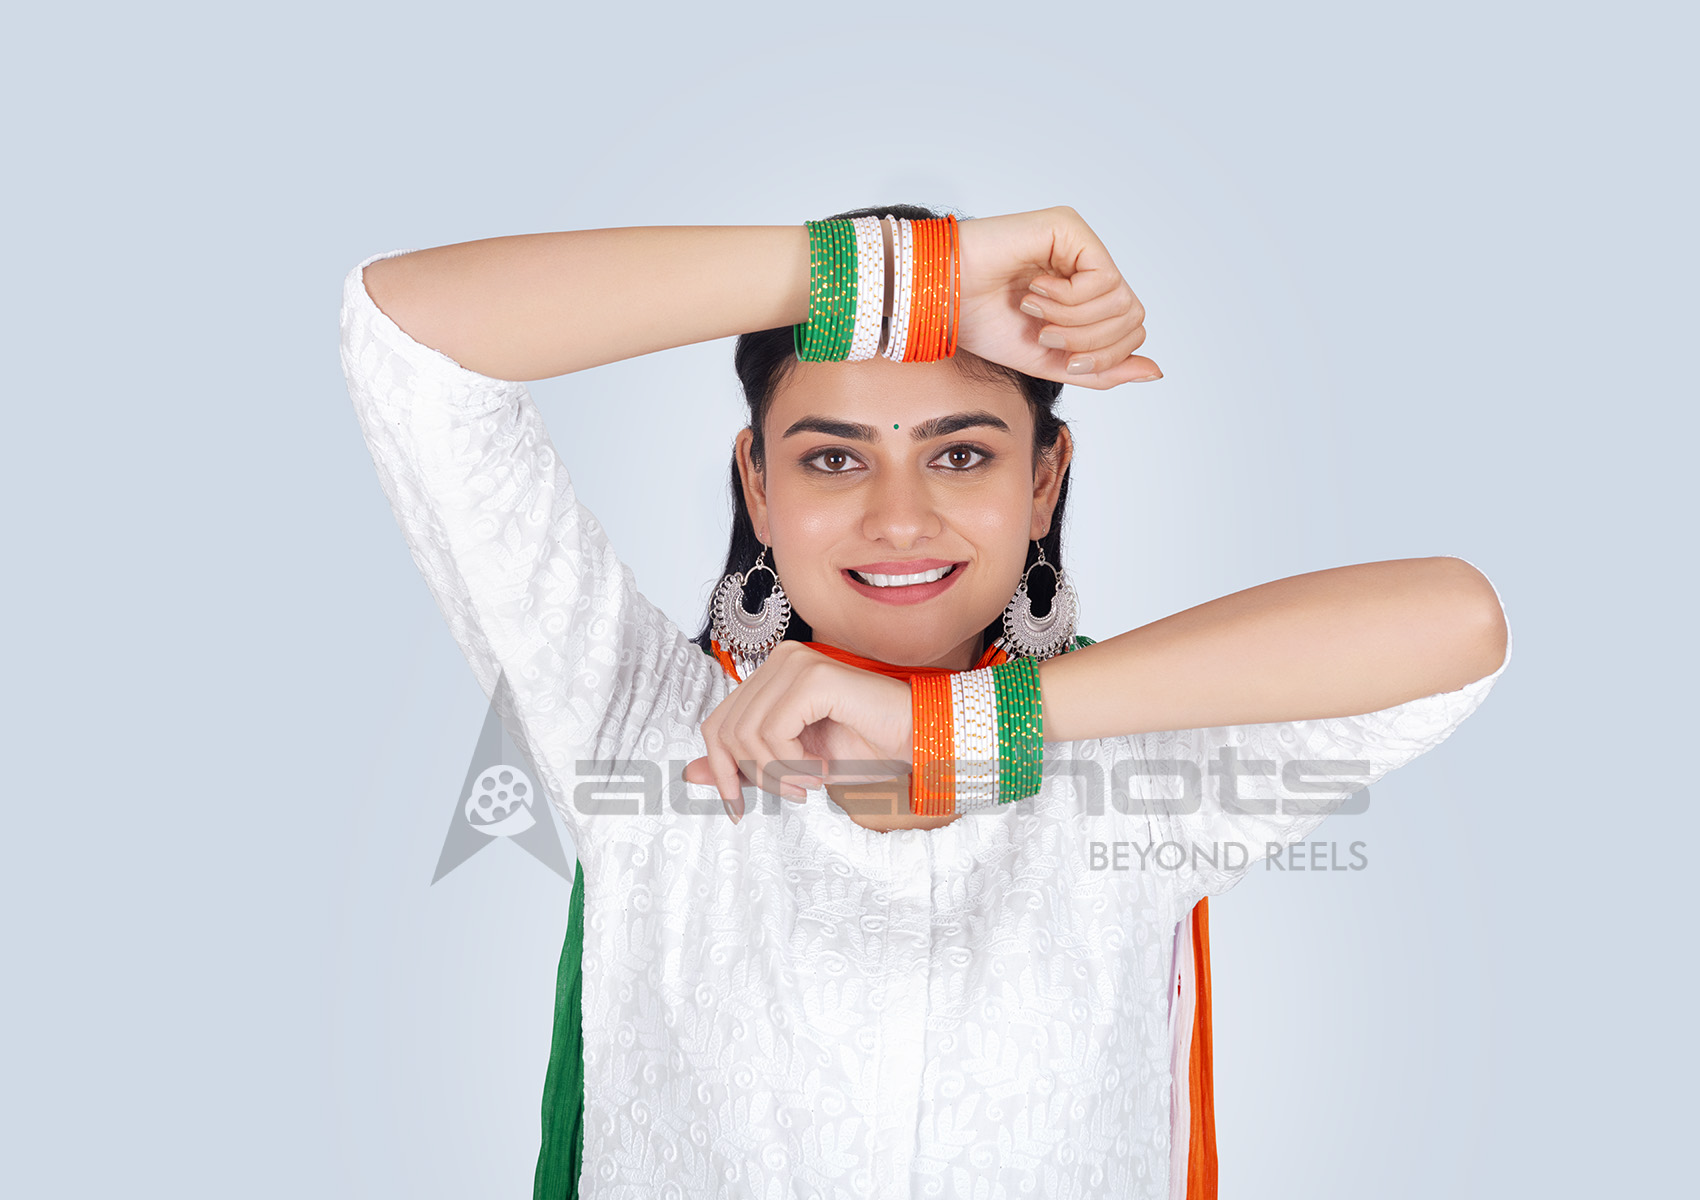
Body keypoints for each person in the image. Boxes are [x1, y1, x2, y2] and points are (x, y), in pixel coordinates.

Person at [340, 203, 1511, 1199]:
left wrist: (956, 729)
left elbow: (1454, 628)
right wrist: (916, 276)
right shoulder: (642, 720)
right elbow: (410, 334)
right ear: (757, 483)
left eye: (959, 455)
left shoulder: (1127, 766)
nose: (899, 520)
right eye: (832, 457)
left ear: (1045, 481)